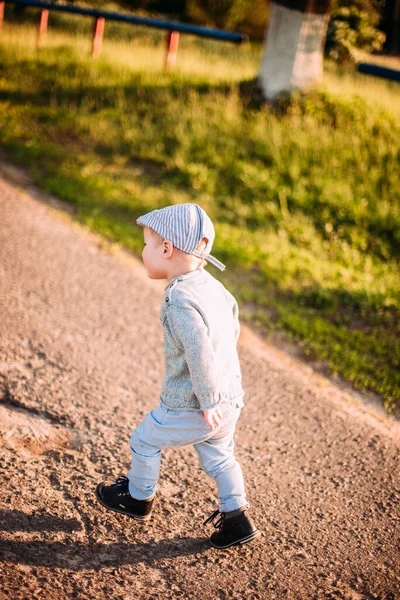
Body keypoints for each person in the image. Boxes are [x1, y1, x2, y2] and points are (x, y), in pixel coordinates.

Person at [95, 203, 260, 549]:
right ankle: (236, 518)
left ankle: (138, 498)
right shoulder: (215, 288)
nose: (143, 251)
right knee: (220, 456)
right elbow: (231, 330)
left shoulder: (179, 298)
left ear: (166, 249)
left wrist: (207, 398)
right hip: (230, 401)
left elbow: (199, 350)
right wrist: (222, 394)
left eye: (146, 244)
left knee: (145, 439)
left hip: (194, 403)